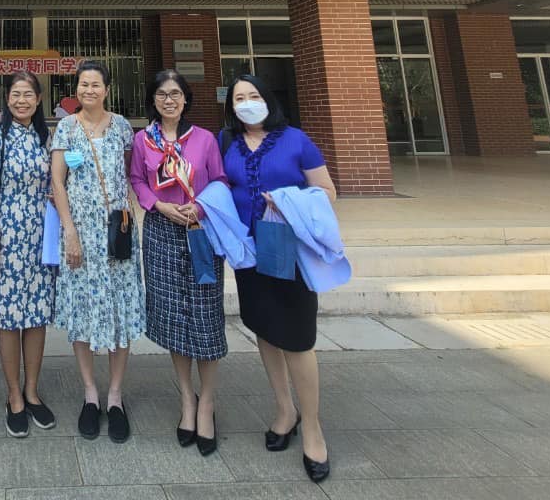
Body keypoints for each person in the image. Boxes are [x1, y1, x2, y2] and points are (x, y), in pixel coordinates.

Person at [219, 73, 337, 484]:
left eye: (253, 95)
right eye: (239, 98)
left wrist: (288, 200)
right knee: (266, 330)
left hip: (290, 251)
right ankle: (284, 410)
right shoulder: (227, 142)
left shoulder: (295, 139)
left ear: (268, 99)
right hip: (249, 254)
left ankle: (313, 426)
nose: (247, 103)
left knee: (299, 338)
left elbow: (326, 190)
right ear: (231, 106)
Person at [129, 69, 228, 456]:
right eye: (161, 94)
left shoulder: (204, 139)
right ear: (152, 100)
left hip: (201, 232)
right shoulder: (143, 139)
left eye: (175, 94)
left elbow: (220, 181)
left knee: (205, 314)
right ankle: (187, 399)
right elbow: (137, 180)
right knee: (172, 315)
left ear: (186, 99)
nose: (169, 100)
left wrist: (200, 206)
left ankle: (208, 403)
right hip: (160, 232)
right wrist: (159, 206)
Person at [50, 60, 145, 444]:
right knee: (82, 311)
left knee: (120, 311)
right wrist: (70, 233)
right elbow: (57, 182)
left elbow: (130, 174)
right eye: (83, 84)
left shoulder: (123, 127)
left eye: (95, 84)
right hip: (80, 236)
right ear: (77, 90)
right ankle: (91, 394)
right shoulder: (66, 128)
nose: (89, 90)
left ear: (107, 89)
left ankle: (116, 397)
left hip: (117, 234)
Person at [0, 71, 57, 438]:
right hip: (8, 240)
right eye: (15, 94)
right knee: (10, 319)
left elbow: (56, 185)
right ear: (6, 99)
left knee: (37, 316)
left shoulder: (47, 138)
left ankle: (32, 389)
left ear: (38, 100)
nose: (21, 100)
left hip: (41, 241)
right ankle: (13, 395)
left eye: (28, 94)